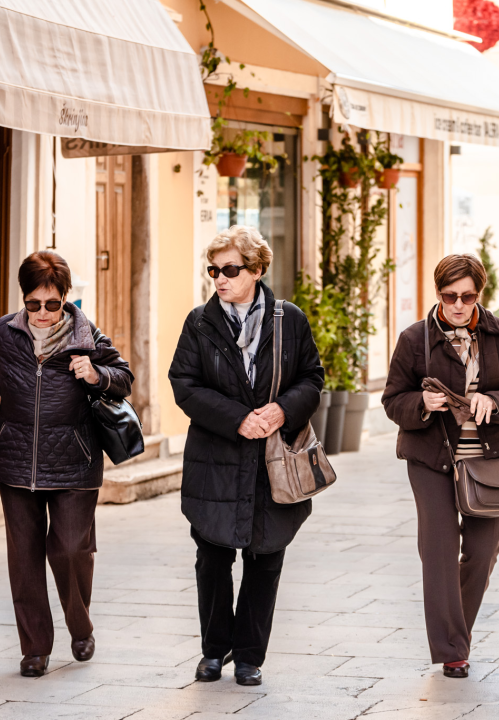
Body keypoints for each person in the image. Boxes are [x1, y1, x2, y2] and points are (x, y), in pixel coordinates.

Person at [0, 251, 133, 677]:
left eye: (51, 303)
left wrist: (96, 374)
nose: (41, 313)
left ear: (65, 299)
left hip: (75, 460)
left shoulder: (86, 334)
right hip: (17, 459)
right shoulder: (4, 333)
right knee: (23, 558)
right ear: (24, 299)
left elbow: (125, 377)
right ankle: (35, 647)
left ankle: (80, 625)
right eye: (33, 303)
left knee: (71, 548)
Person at [169, 225, 324, 686]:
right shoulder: (199, 322)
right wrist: (238, 418)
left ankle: (251, 656)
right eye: (213, 270)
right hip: (215, 460)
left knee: (266, 555)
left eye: (230, 270)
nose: (219, 278)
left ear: (256, 270)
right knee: (212, 557)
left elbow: (312, 378)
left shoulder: (288, 319)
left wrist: (281, 410)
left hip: (273, 461)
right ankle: (214, 651)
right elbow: (184, 384)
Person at [382, 254, 499, 679]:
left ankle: (453, 630)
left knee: (483, 551)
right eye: (450, 296)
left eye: (468, 296)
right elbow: (393, 400)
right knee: (439, 551)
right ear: (438, 294)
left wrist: (495, 401)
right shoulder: (414, 339)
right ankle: (453, 650)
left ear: (479, 294)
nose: (459, 305)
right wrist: (420, 404)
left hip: (488, 462)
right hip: (430, 459)